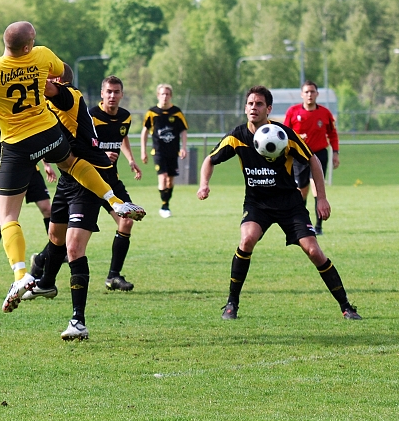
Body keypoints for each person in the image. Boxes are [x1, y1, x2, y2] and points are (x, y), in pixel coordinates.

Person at [0, 20, 145, 314]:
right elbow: (62, 72)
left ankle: (20, 275)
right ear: (27, 46)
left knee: (7, 215)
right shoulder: (41, 55)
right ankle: (113, 200)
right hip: (47, 133)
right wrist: (36, 72)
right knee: (71, 163)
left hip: (16, 144)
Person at [197, 85, 361, 321]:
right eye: (250, 103)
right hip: (257, 204)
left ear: (269, 109)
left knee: (314, 251)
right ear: (245, 108)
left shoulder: (283, 135)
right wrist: (204, 184)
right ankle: (231, 304)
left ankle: (346, 307)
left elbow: (313, 160)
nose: (254, 107)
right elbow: (209, 160)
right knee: (247, 240)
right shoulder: (237, 136)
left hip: (289, 205)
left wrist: (322, 198)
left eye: (259, 104)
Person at [22, 65, 131, 339]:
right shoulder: (48, 106)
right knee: (55, 237)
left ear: (58, 80)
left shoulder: (69, 95)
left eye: (48, 75)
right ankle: (46, 282)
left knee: (73, 247)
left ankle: (78, 321)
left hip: (88, 177)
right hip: (67, 177)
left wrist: (16, 69)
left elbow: (41, 86)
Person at [0, 114, 55, 265]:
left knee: (47, 209)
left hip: (31, 170)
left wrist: (46, 164)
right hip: (8, 173)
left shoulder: (27, 114)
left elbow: (38, 140)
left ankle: (55, 251)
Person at [89, 75, 143, 291]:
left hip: (112, 181)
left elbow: (122, 138)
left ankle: (113, 276)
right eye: (108, 91)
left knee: (126, 221)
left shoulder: (125, 117)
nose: (112, 95)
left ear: (122, 94)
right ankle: (40, 265)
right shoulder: (91, 116)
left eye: (116, 92)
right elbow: (81, 145)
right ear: (102, 93)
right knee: (66, 237)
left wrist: (131, 160)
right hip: (89, 181)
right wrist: (101, 154)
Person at [283, 80, 340, 235]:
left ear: (317, 94)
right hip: (299, 156)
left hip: (319, 154)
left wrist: (335, 152)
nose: (309, 95)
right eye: (306, 92)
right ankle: (303, 224)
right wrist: (297, 138)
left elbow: (333, 134)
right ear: (302, 94)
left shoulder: (325, 113)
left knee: (317, 188)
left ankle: (318, 227)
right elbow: (284, 134)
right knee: (301, 192)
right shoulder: (293, 112)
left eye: (312, 91)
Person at [141, 83, 188, 218]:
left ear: (171, 96)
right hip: (158, 152)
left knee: (170, 181)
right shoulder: (152, 113)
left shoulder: (177, 112)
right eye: (162, 94)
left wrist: (183, 148)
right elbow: (145, 132)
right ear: (158, 95)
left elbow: (183, 131)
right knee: (163, 177)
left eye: (167, 94)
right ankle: (164, 206)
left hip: (173, 152)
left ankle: (166, 203)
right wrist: (143, 151)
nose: (165, 96)